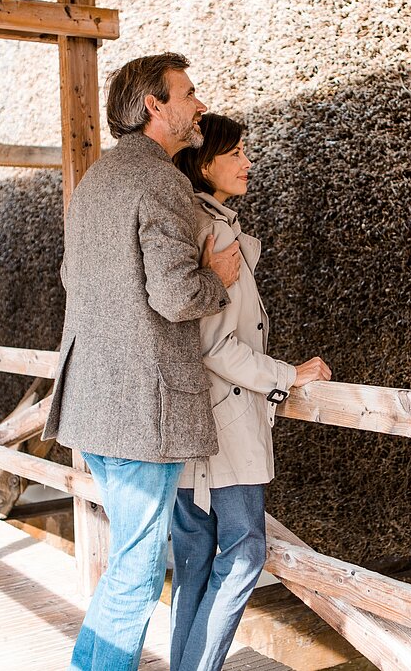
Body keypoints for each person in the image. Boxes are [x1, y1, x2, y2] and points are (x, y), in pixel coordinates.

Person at [43, 54, 244, 671]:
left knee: (127, 561)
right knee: (133, 572)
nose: (199, 105)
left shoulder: (96, 180)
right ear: (155, 106)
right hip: (142, 409)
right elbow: (177, 295)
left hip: (92, 402)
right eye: (188, 94)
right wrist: (215, 278)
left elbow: (70, 278)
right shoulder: (162, 182)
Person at [169, 113, 331, 671]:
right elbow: (215, 345)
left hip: (187, 427)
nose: (247, 162)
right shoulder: (210, 230)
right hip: (223, 429)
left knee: (193, 558)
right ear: (203, 161)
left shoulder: (186, 222)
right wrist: (288, 375)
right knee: (244, 554)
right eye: (234, 153)